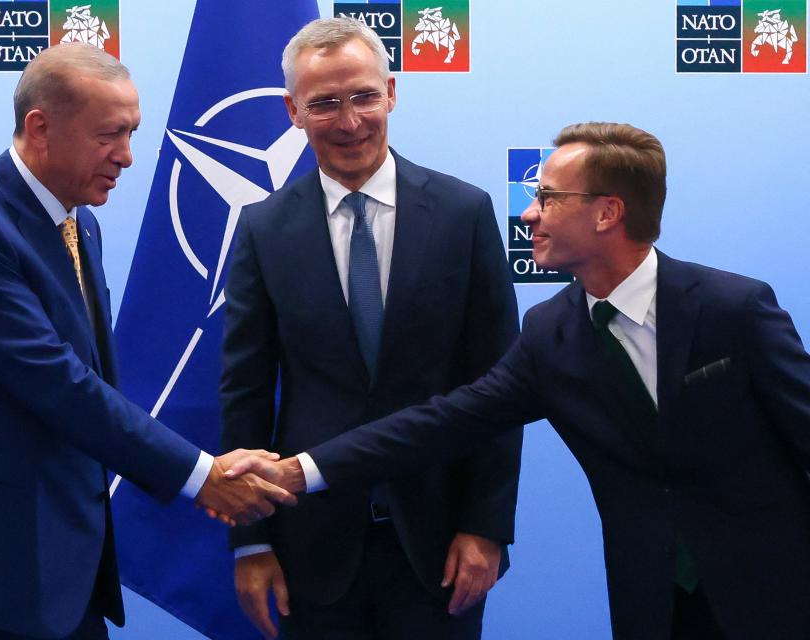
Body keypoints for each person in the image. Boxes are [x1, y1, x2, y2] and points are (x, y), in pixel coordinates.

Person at [229, 122, 810, 640]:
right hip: (652, 601)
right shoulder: (551, 334)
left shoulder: (735, 309)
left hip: (780, 589)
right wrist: (297, 472)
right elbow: (441, 422)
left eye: (548, 198)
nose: (528, 214)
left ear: (607, 213)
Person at [0, 43, 294, 640]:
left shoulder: (78, 222)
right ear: (41, 127)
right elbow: (56, 381)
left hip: (57, 575)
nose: (129, 157)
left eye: (133, 133)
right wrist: (200, 474)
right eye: (110, 135)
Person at [219, 17, 522, 640]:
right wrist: (249, 544)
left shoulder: (465, 214)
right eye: (324, 103)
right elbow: (244, 394)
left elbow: (501, 388)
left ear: (392, 92)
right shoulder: (262, 229)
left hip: (441, 546)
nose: (350, 121)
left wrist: (487, 526)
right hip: (310, 549)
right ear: (292, 112)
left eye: (362, 96)